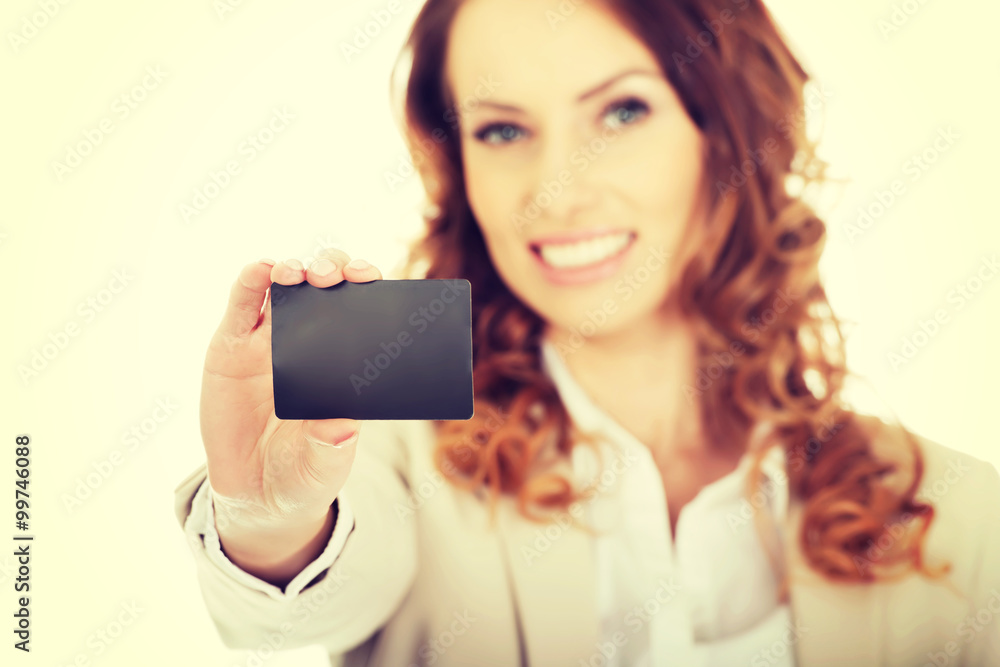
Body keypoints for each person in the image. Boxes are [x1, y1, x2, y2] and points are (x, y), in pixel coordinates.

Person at [175, 0, 1000, 665]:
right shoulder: (387, 456)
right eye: (502, 129)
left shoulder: (963, 520)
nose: (557, 192)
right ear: (460, 167)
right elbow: (300, 598)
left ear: (726, 135)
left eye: (622, 110)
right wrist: (269, 515)